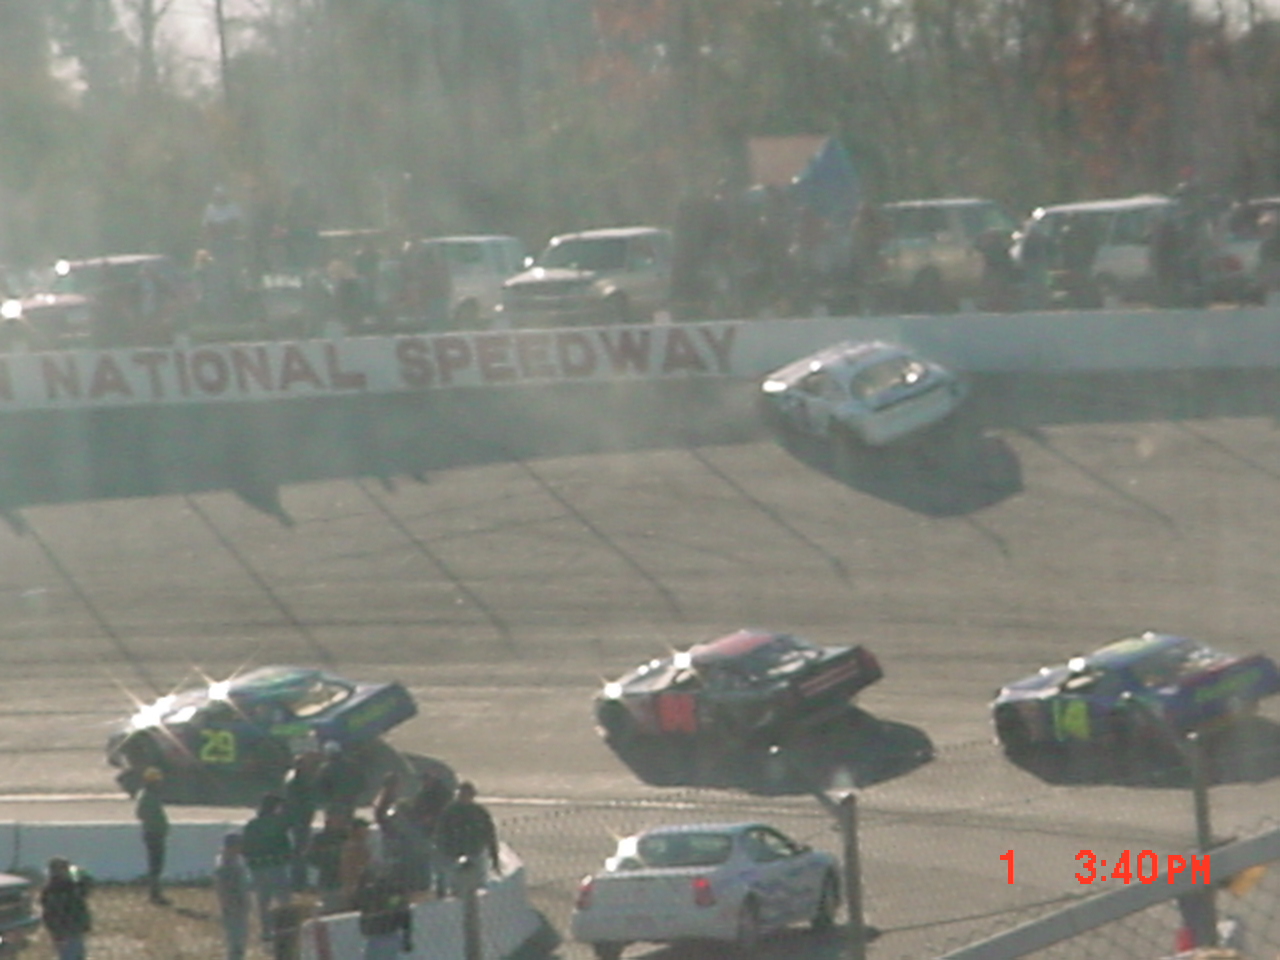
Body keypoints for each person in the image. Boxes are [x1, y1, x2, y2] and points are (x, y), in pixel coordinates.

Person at [241, 793, 293, 943]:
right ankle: (286, 929)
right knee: (283, 901)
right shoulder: (279, 824)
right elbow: (286, 846)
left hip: (258, 868)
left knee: (263, 901)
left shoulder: (252, 825)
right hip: (277, 866)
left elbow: (246, 847)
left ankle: (266, 932)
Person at [433, 781, 500, 896]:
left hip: (475, 853)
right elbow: (440, 833)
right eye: (462, 794)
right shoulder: (450, 811)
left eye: (467, 794)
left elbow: (489, 834)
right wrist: (443, 851)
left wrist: (494, 856)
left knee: (476, 884)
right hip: (452, 854)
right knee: (454, 884)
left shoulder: (479, 812)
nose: (465, 797)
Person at [354, 866, 413, 960]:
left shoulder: (376, 894)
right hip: (380, 936)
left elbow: (403, 913)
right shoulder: (374, 894)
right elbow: (405, 914)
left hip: (384, 935)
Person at [282, 752, 321, 892]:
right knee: (300, 852)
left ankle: (299, 880)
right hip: (299, 821)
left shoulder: (299, 779)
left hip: (301, 820)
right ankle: (298, 882)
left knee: (300, 851)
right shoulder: (296, 781)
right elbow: (297, 803)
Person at [40, 857, 92, 960]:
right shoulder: (56, 888)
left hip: (73, 928)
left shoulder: (69, 886)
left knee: (75, 954)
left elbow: (85, 889)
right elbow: (54, 911)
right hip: (66, 930)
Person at [213, 833, 252, 960]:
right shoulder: (226, 863)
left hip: (240, 901)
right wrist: (228, 902)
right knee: (235, 935)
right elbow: (223, 886)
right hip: (233, 902)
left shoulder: (237, 859)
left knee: (241, 933)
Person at [306, 808, 352, 913]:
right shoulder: (320, 838)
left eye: (340, 818)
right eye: (335, 817)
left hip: (344, 879)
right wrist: (326, 858)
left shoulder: (347, 837)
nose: (338, 821)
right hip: (327, 879)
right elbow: (311, 858)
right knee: (328, 907)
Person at [134, 766, 169, 904]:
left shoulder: (149, 795)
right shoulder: (148, 796)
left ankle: (155, 892)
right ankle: (154, 893)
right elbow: (140, 814)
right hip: (153, 834)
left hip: (155, 833)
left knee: (156, 864)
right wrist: (154, 823)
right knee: (155, 864)